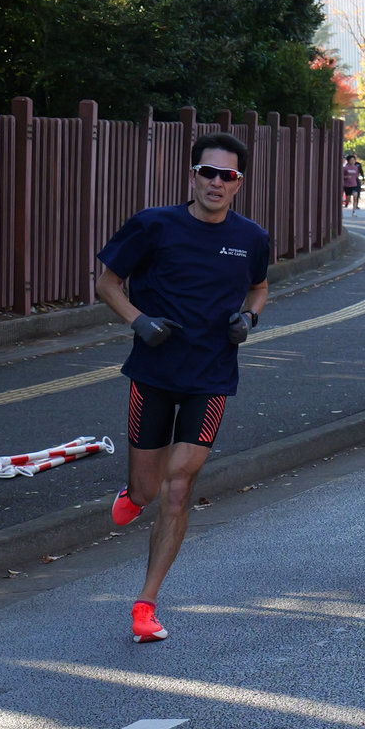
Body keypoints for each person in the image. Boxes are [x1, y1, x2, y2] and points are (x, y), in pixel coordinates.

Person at [97, 132, 271, 643]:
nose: (216, 182)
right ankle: (134, 494)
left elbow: (259, 287)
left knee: (177, 489)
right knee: (148, 489)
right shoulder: (154, 225)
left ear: (239, 183)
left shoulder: (252, 237)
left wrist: (249, 318)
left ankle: (146, 604)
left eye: (227, 175)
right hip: (153, 373)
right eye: (207, 172)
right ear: (192, 175)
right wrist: (139, 321)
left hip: (210, 378)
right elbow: (107, 282)